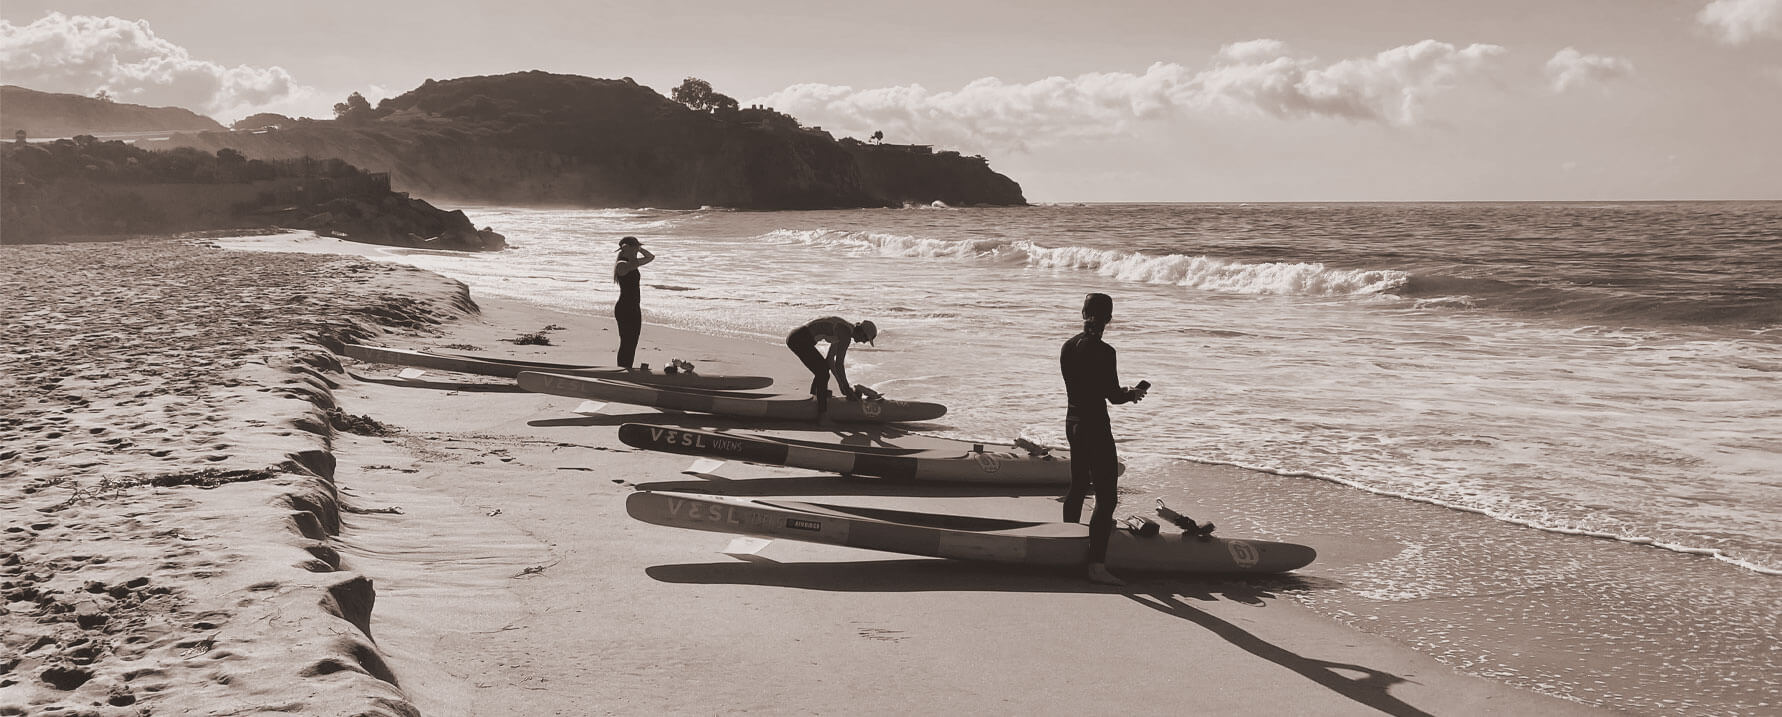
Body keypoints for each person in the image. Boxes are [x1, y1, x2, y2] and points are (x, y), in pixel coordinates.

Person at [1060, 293, 1147, 586]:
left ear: (1083, 312)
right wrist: (1131, 394)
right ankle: (1096, 566)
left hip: (1073, 423)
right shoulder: (1105, 351)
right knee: (1106, 497)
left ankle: (1065, 548)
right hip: (1095, 427)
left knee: (1078, 487)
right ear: (1109, 318)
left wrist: (1120, 392)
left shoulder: (1068, 346)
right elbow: (1112, 396)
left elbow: (1084, 386)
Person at [785, 317, 877, 422]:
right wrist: (846, 388)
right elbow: (839, 364)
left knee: (823, 368)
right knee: (823, 372)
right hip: (799, 338)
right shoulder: (845, 333)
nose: (864, 342)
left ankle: (815, 396)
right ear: (861, 332)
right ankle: (823, 415)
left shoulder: (845, 330)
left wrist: (841, 385)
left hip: (798, 336)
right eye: (866, 339)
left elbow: (830, 360)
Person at [612, 236, 654, 368]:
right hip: (625, 308)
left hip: (634, 307)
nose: (637, 250)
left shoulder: (632, 262)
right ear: (627, 249)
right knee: (627, 342)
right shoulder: (621, 265)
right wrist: (629, 251)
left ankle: (627, 368)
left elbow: (650, 257)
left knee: (633, 341)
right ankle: (623, 369)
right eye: (635, 247)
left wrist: (638, 249)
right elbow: (633, 264)